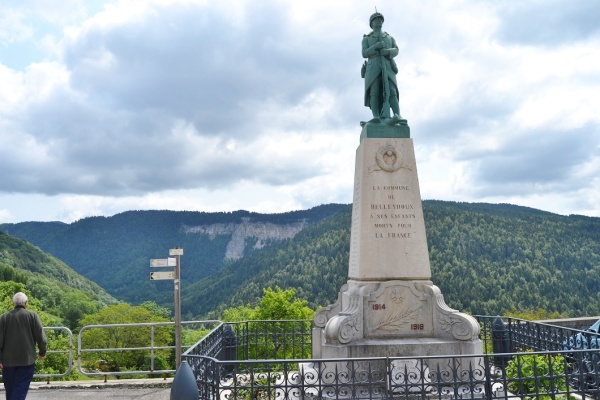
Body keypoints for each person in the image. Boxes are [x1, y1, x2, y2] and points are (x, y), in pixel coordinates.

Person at [0, 292, 47, 400]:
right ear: (26, 303)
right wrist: (42, 352)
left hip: (8, 362)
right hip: (27, 360)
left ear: (13, 303)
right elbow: (41, 338)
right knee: (20, 390)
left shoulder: (4, 317)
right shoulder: (32, 316)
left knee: (10, 392)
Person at [362, 12, 402, 124]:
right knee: (374, 92)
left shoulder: (389, 37)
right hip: (373, 67)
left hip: (388, 66)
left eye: (380, 19)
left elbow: (396, 50)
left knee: (392, 91)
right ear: (371, 23)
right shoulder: (367, 38)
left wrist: (387, 52)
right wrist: (375, 47)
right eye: (376, 19)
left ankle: (397, 115)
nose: (378, 21)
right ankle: (376, 116)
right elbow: (364, 53)